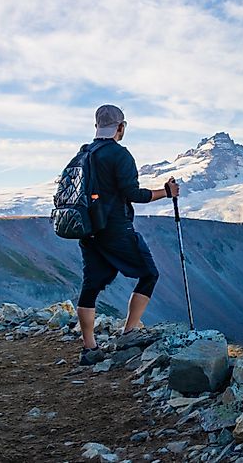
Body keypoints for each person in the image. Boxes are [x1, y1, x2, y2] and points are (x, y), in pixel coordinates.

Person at [76, 104, 179, 366]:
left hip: (88, 229)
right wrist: (165, 192)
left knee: (92, 284)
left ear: (96, 126)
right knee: (149, 273)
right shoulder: (119, 155)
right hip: (115, 228)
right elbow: (134, 194)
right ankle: (130, 333)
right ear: (120, 127)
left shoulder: (84, 153)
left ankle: (89, 349)